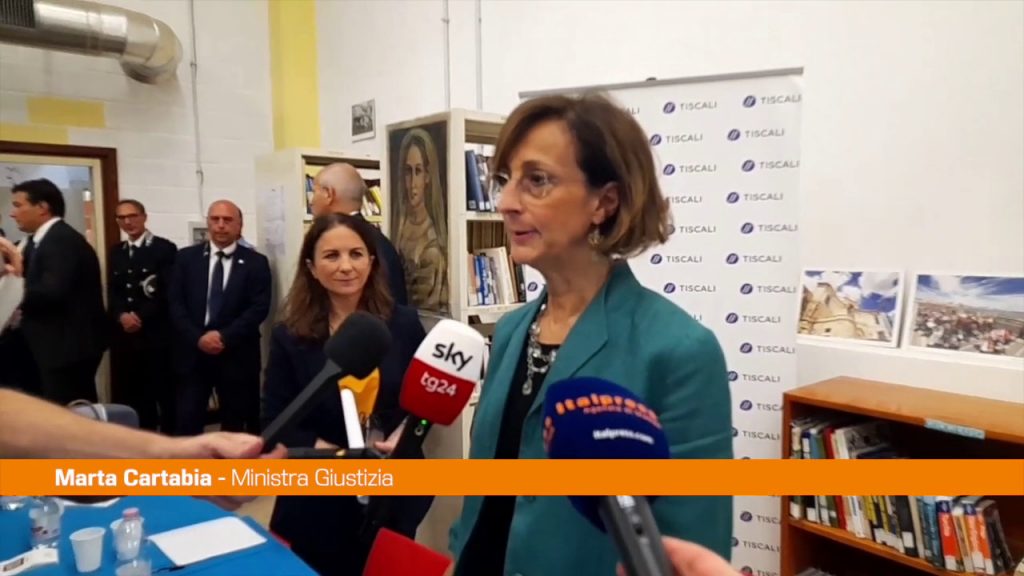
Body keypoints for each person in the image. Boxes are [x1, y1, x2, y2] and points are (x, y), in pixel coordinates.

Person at [446, 93, 733, 575]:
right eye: (505, 180)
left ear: (604, 202)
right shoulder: (512, 330)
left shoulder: (680, 351)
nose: (507, 203)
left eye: (537, 180)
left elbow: (693, 544)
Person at [261, 213, 432, 576]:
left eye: (356, 254)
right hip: (319, 496)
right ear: (311, 267)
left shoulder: (404, 324)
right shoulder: (290, 336)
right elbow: (276, 419)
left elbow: (423, 404)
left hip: (392, 490)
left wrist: (404, 436)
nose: (345, 267)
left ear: (372, 261)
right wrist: (337, 457)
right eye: (331, 256)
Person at [168, 200, 271, 436]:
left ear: (240, 225)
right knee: (187, 421)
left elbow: (258, 308)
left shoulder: (256, 263)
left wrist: (223, 336)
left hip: (237, 354)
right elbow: (175, 303)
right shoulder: (186, 259)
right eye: (215, 219)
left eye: (228, 220)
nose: (221, 225)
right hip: (193, 354)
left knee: (235, 425)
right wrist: (198, 338)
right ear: (208, 223)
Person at [8, 178, 109, 404]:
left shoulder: (61, 240)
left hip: (66, 348)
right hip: (51, 345)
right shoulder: (36, 242)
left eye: (18, 205)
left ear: (42, 207)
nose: (13, 213)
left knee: (68, 411)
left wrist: (9, 292)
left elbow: (50, 292)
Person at [107, 199, 179, 433]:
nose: (128, 222)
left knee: (164, 393)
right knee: (136, 394)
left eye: (133, 216)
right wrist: (121, 315)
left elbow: (167, 292)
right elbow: (115, 290)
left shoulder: (163, 248)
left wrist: (139, 316)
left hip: (156, 334)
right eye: (122, 218)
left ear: (144, 217)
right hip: (127, 338)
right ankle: (143, 439)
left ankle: (168, 441)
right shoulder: (117, 252)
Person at [309, 162, 409, 306]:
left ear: (328, 194)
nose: (311, 201)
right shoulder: (378, 241)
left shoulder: (368, 243)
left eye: (314, 192)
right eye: (332, 256)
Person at [392, 128, 448, 313]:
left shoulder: (431, 245)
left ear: (428, 176)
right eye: (408, 172)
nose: (412, 184)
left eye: (418, 171)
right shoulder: (399, 224)